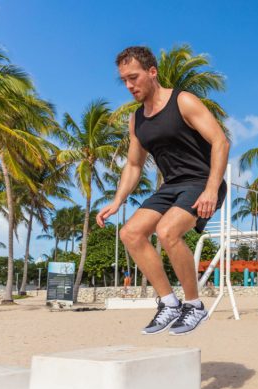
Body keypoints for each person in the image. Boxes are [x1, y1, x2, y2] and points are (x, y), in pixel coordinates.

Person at [96, 46, 228, 335]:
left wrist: (210, 189)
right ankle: (169, 303)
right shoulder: (137, 120)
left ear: (152, 72)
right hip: (172, 186)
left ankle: (194, 306)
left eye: (134, 77)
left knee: (167, 231)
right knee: (130, 233)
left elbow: (220, 142)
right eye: (124, 80)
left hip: (203, 182)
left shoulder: (183, 101)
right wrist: (118, 201)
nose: (129, 86)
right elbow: (133, 165)